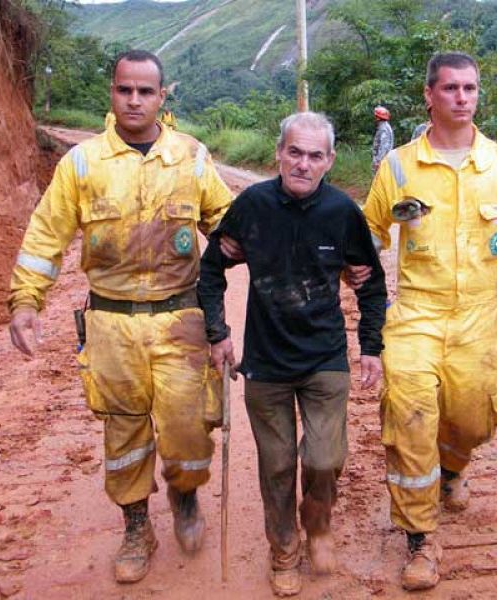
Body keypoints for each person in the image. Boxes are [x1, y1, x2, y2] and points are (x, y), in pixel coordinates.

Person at [8, 50, 232, 584]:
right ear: (112, 94)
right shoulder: (83, 164)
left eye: (145, 92)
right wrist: (25, 301)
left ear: (161, 97)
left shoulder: (192, 158)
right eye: (124, 90)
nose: (134, 100)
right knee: (124, 434)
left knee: (189, 427)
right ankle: (136, 526)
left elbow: (229, 224)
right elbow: (46, 236)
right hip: (111, 324)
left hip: (181, 320)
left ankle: (184, 498)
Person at [362, 52, 497, 592]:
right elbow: (367, 238)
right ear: (430, 95)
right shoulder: (399, 166)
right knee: (410, 417)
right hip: (416, 315)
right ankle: (420, 538)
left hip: (477, 319)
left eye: (469, 88)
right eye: (450, 88)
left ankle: (451, 469)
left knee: (472, 420)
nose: (462, 97)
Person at [198, 112, 387, 597]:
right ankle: (283, 548)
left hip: (324, 357)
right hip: (265, 363)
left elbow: (370, 282)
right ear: (279, 153)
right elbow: (212, 268)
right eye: (295, 153)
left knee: (324, 458)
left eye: (315, 156)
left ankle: (318, 525)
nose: (303, 164)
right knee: (277, 464)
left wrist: (370, 346)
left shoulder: (342, 214)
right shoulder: (253, 206)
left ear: (330, 160)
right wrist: (218, 333)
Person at [372, 105, 394, 174]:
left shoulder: (384, 128)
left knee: (378, 181)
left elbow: (384, 146)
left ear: (378, 117)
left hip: (382, 161)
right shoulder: (383, 126)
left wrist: (378, 161)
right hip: (383, 160)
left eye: (375, 116)